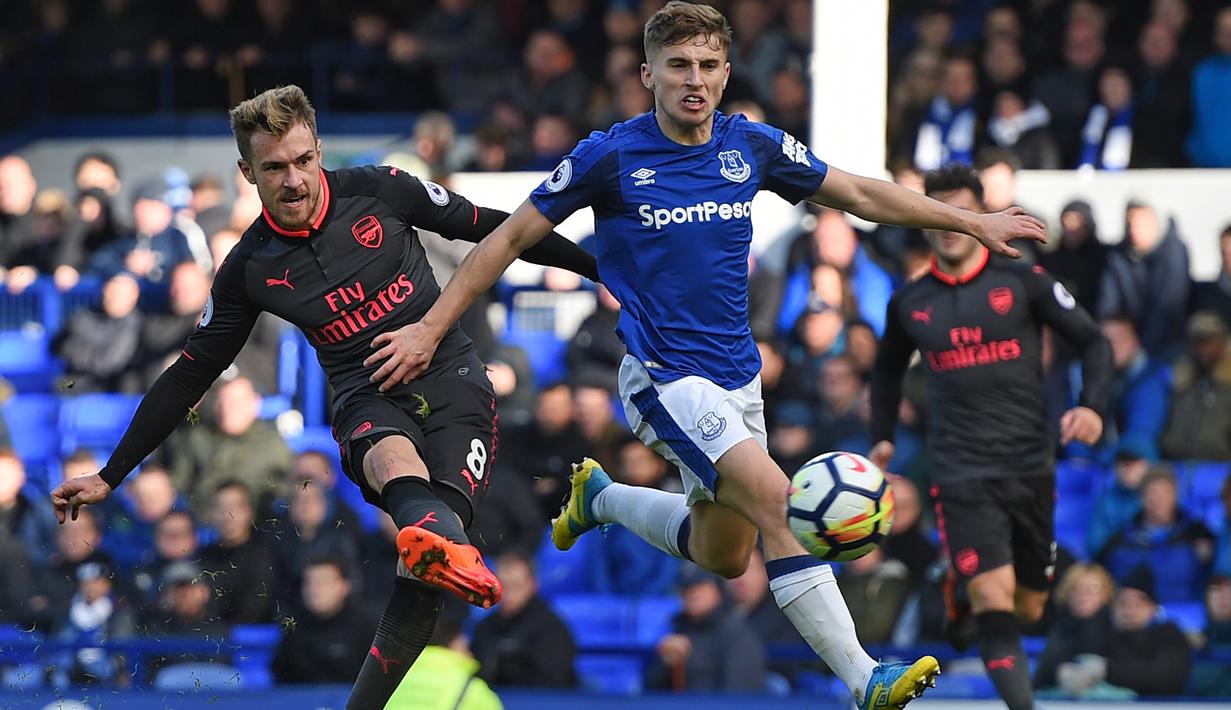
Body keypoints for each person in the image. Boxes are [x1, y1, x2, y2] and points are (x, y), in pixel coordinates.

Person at [391, 4, 1046, 707]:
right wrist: (430, 328)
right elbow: (507, 239)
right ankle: (866, 678)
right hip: (665, 380)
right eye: (677, 66)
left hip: (739, 381)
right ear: (648, 74)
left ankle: (602, 498)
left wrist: (970, 221)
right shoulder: (609, 156)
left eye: (707, 65)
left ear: (727, 73)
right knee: (780, 503)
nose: (694, 80)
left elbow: (858, 192)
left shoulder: (749, 146)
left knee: (724, 554)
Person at [48, 84, 599, 710]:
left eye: (303, 160)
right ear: (247, 172)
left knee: (421, 577)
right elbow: (188, 375)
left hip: (453, 379)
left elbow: (499, 229)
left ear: (319, 150)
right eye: (274, 168)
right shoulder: (250, 267)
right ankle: (436, 534)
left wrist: (602, 271)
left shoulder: (381, 189)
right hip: (366, 393)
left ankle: (431, 546)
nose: (293, 180)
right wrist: (111, 474)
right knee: (393, 465)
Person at [868, 164, 1112, 710]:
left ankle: (959, 593)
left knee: (1029, 607)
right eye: (941, 212)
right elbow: (885, 372)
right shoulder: (910, 302)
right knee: (994, 599)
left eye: (963, 211)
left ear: (982, 215)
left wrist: (1092, 407)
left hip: (1030, 465)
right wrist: (882, 436)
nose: (951, 225)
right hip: (961, 472)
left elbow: (1095, 342)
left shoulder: (1023, 281)